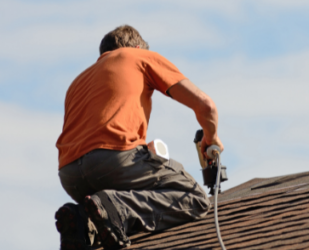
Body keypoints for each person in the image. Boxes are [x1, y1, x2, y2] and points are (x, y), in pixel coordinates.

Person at [54, 25, 224, 250]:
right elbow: (206, 107)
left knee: (105, 209)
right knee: (194, 196)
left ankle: (81, 222)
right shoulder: (138, 57)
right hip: (114, 160)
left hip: (70, 175)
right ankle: (115, 207)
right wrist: (211, 138)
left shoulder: (77, 82)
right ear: (136, 47)